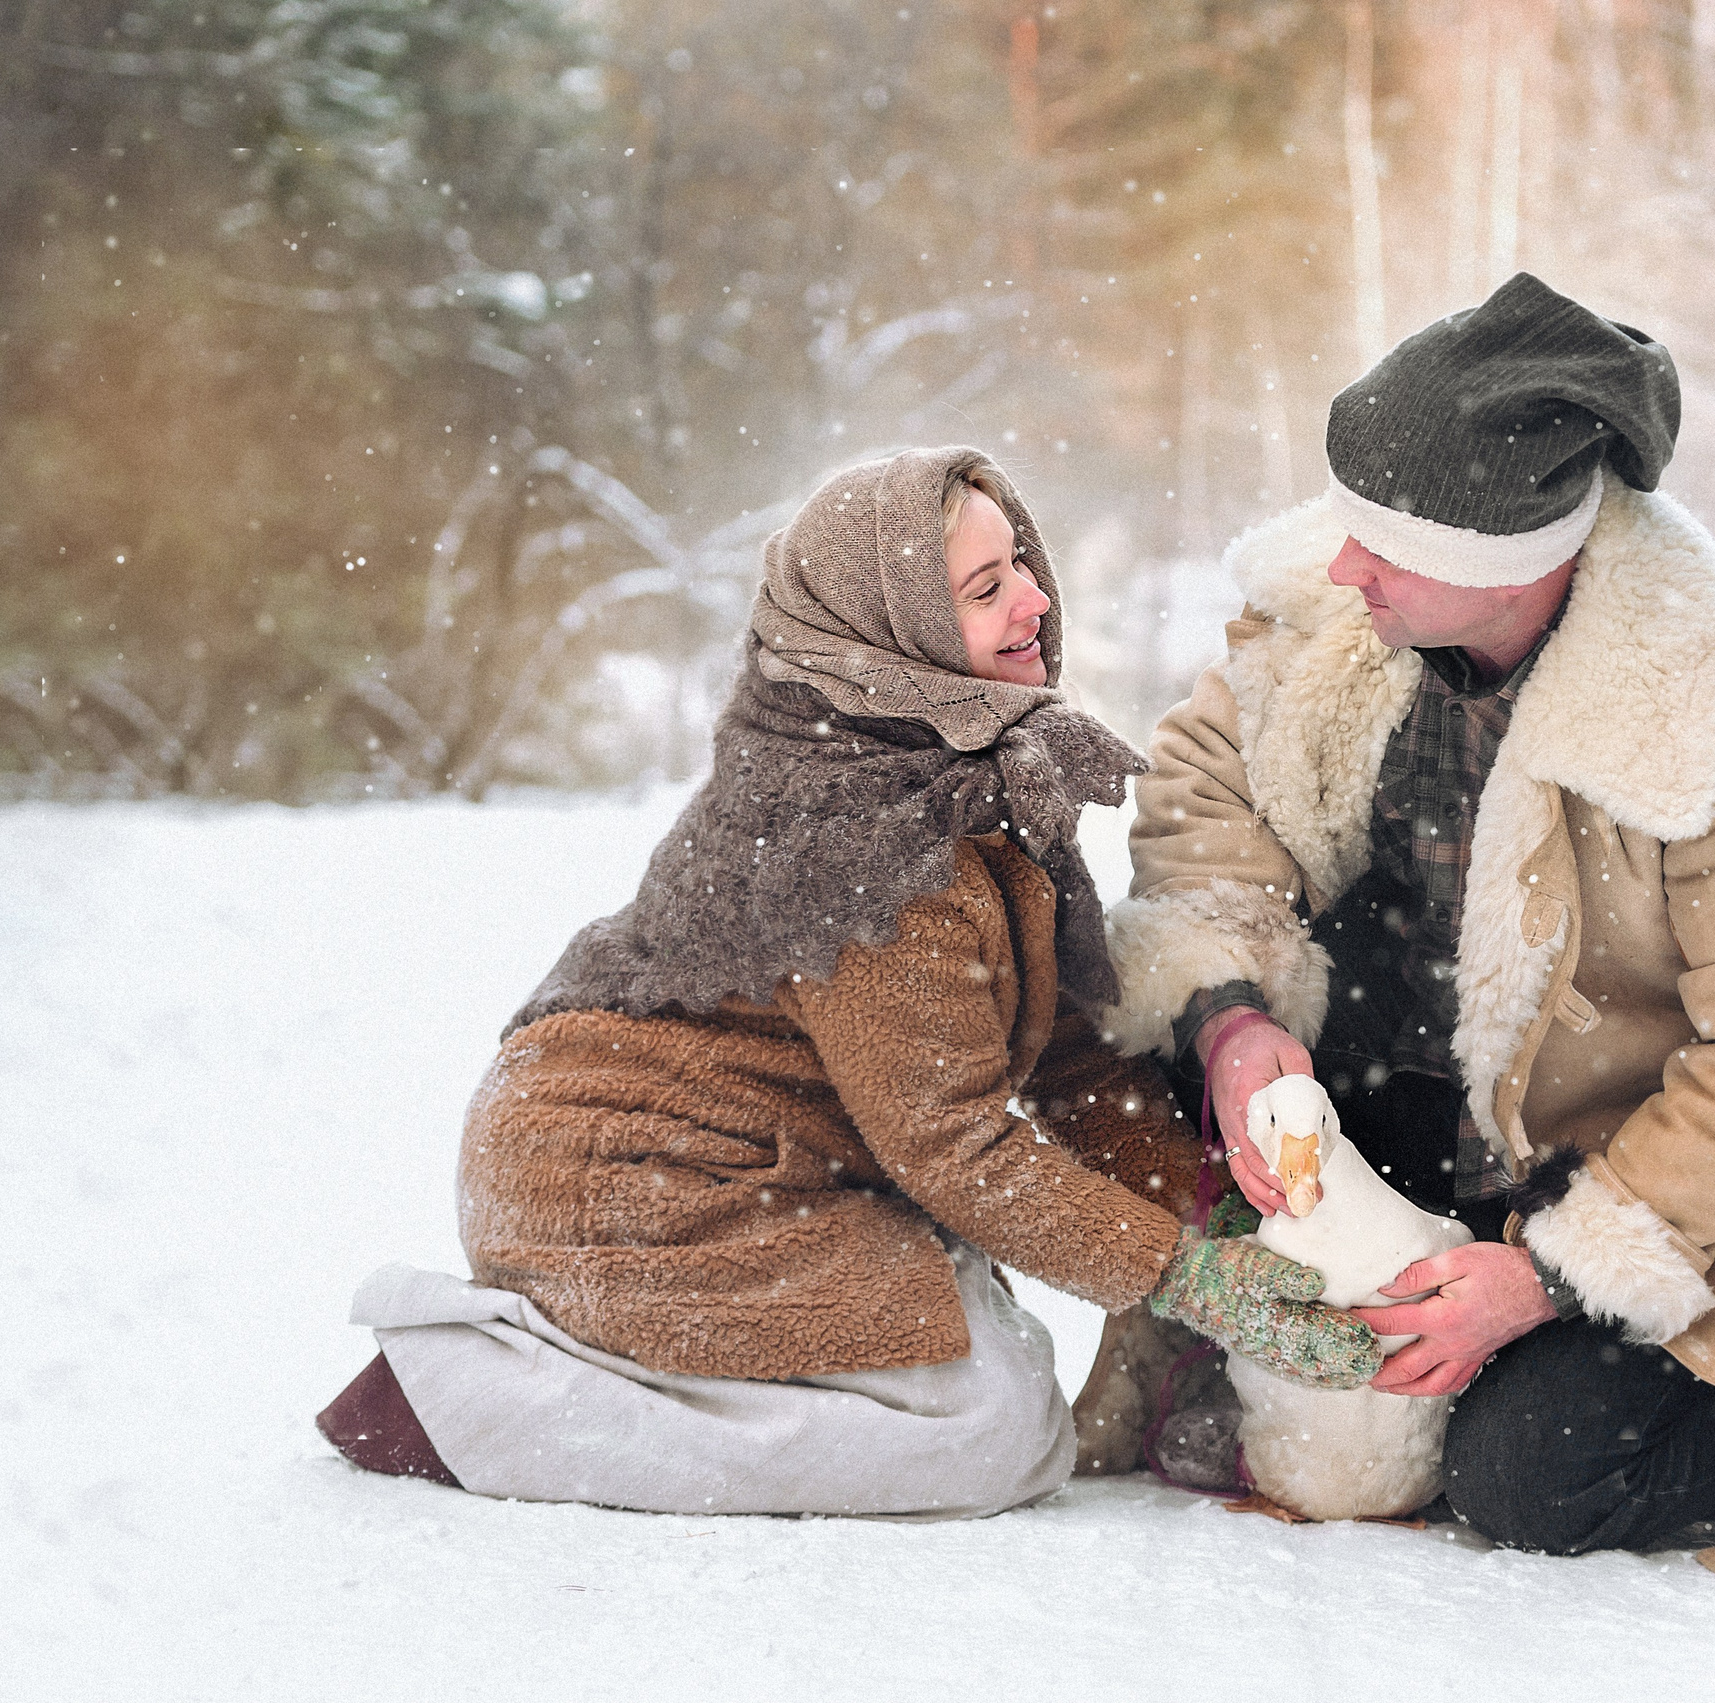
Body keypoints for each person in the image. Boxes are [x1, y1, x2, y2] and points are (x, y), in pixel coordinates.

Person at [1089, 275, 1715, 1587]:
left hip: (1656, 1178)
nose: (1345, 564)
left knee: (1525, 1474)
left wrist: (1535, 1278)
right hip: (1412, 1102)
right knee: (1162, 1068)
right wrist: (1229, 1020)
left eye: (1384, 544)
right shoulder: (1335, 617)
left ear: (1504, 564)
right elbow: (1205, 786)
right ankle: (1360, 1336)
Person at [314, 446, 1379, 1520]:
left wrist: (1203, 1210)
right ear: (893, 631)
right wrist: (1183, 1273)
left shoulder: (952, 771)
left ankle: (641, 1361)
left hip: (761, 1161)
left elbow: (1063, 1053)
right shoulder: (867, 845)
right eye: (985, 587)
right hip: (627, 1183)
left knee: (985, 1351)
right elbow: (955, 1146)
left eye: (1018, 561)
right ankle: (478, 1396)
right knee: (996, 1431)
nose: (1035, 598)